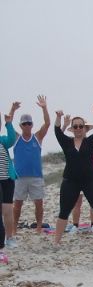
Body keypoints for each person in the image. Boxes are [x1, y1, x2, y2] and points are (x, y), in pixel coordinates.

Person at [52, 106, 93, 245]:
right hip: (70, 181)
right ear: (72, 128)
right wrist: (58, 118)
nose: (78, 128)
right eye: (76, 126)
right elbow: (57, 131)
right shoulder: (66, 142)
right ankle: (56, 241)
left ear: (85, 128)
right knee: (64, 211)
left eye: (81, 126)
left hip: (90, 180)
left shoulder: (91, 142)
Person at [12, 95, 50, 235]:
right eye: (24, 124)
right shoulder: (16, 138)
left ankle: (39, 227)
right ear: (21, 125)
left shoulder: (37, 137)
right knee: (17, 205)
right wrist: (13, 109)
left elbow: (47, 124)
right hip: (19, 177)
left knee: (39, 204)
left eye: (29, 123)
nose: (27, 125)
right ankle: (14, 228)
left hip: (36, 177)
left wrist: (44, 108)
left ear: (32, 125)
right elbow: (8, 125)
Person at [1, 102, 19, 249]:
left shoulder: (3, 141)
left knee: (7, 210)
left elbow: (12, 138)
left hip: (7, 180)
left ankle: (10, 237)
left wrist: (8, 122)